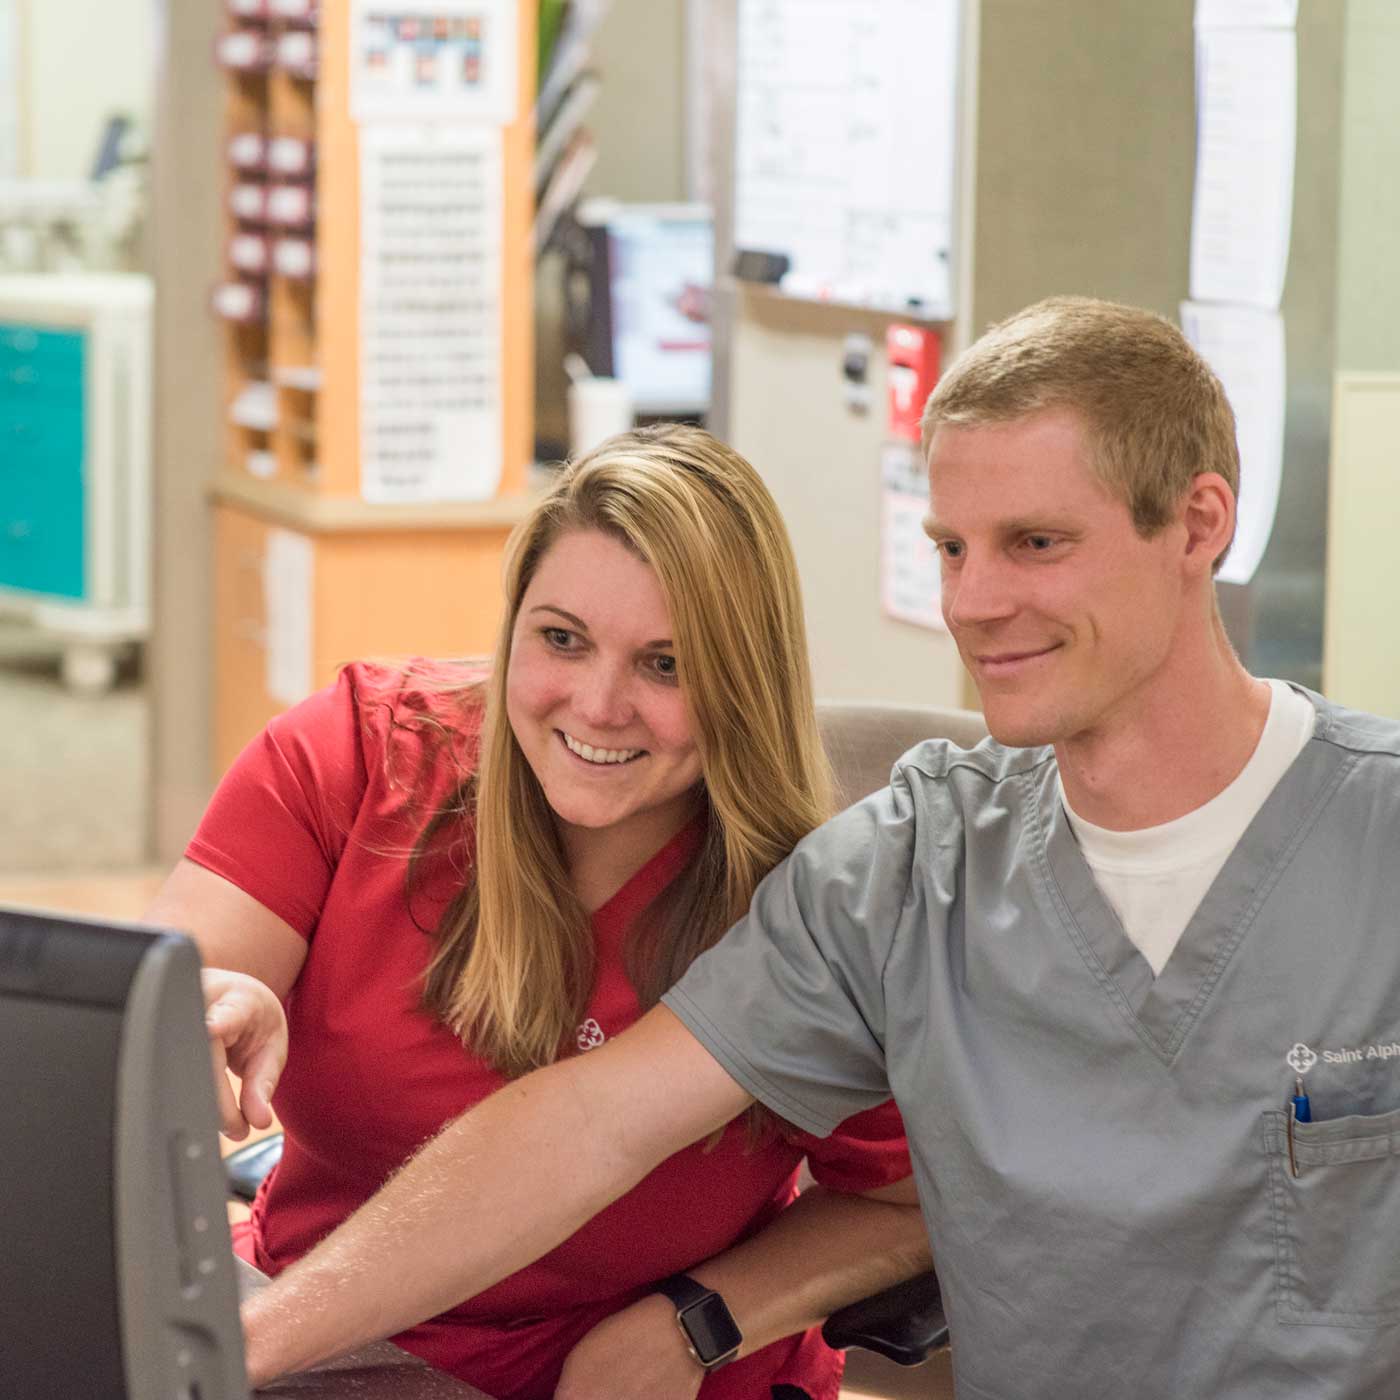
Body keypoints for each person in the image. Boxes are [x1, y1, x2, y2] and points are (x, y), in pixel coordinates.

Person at [240, 295, 1400, 1400]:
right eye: (952, 548)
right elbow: (581, 1125)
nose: (975, 601)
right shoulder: (898, 876)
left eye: (1035, 542)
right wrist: (232, 1348)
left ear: (1196, 524)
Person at [144, 424, 929, 1400]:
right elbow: (149, 1010)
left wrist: (696, 1321)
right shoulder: (363, 752)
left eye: (665, 664)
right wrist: (204, 1006)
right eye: (561, 639)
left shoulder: (807, 911)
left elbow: (907, 1201)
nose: (597, 705)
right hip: (306, 1330)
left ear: (741, 686)